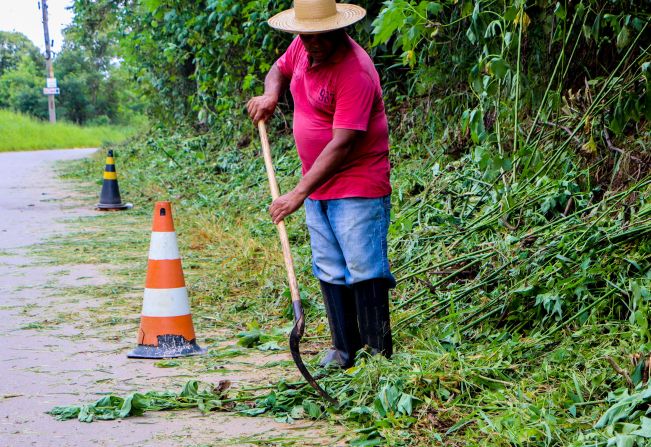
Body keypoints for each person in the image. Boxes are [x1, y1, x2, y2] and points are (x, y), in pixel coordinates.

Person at [247, 0, 395, 368]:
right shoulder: (303, 45)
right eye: (305, 35)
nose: (311, 43)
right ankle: (344, 351)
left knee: (363, 267)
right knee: (329, 266)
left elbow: (343, 143)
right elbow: (277, 70)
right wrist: (270, 94)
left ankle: (377, 357)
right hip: (317, 185)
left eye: (319, 36)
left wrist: (297, 193)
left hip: (357, 183)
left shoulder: (354, 70)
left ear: (338, 29)